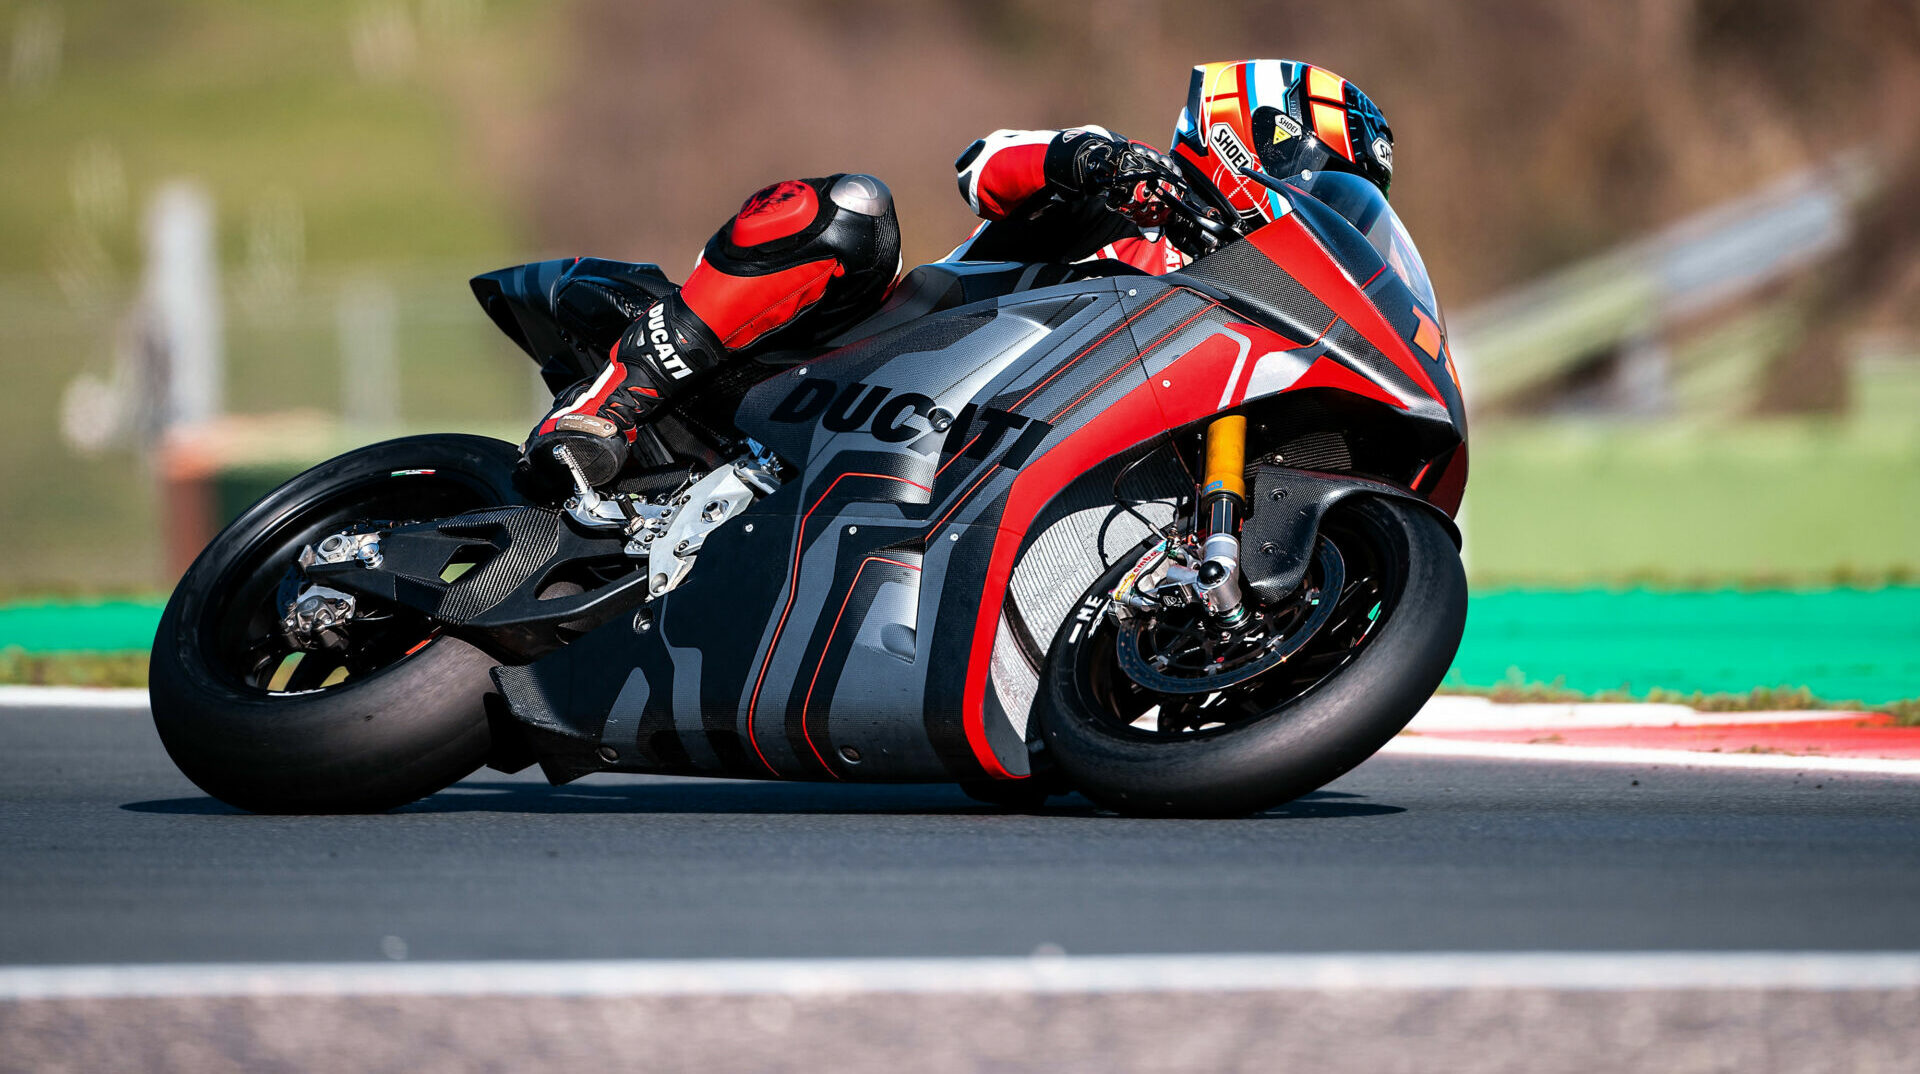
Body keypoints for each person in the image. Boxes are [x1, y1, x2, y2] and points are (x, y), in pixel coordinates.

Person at [523, 59, 1395, 489]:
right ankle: (609, 404)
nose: (1322, 191)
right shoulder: (1128, 193)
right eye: (1324, 166)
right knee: (849, 207)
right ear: (1254, 125)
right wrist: (1093, 159)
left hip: (969, 463)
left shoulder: (1254, 307)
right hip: (863, 362)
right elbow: (985, 166)